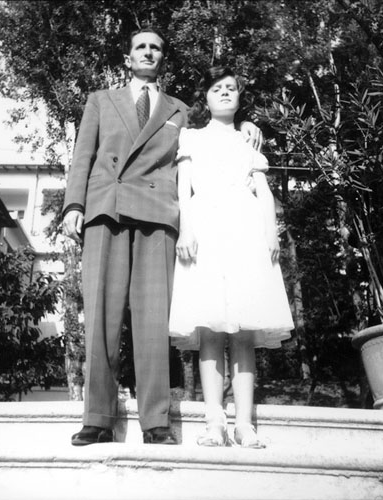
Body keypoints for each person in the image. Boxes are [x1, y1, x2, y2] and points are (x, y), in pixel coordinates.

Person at [62, 29, 262, 446]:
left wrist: (246, 124)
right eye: (141, 47)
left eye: (155, 47)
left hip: (156, 215)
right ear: (128, 57)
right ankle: (97, 418)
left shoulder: (180, 110)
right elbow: (83, 156)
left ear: (162, 58)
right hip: (106, 208)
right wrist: (73, 205)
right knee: (100, 317)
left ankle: (156, 421)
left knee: (153, 322)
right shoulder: (100, 100)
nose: (148, 52)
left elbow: (213, 134)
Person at [169, 67, 295, 448]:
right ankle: (214, 423)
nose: (224, 93)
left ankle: (243, 424)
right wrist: (186, 230)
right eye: (216, 88)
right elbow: (183, 189)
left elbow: (263, 190)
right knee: (210, 329)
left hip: (245, 232)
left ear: (240, 98)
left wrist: (271, 231)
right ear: (205, 98)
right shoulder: (191, 137)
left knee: (242, 332)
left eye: (231, 88)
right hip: (205, 233)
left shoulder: (248, 139)